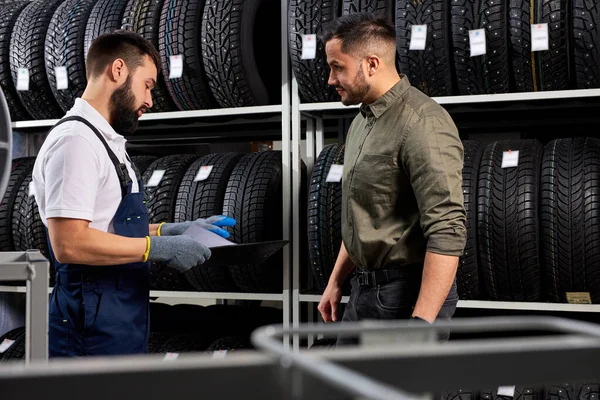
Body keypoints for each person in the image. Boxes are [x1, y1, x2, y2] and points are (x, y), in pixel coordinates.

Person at [32, 31, 235, 357]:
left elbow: (108, 225)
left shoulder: (105, 142)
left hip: (120, 316)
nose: (149, 101)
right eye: (148, 85)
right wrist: (157, 246)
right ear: (118, 71)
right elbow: (69, 243)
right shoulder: (76, 143)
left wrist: (169, 230)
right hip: (88, 325)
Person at [317, 13, 466, 338]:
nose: (330, 79)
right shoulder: (361, 121)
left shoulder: (423, 122)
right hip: (363, 292)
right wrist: (335, 282)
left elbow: (448, 229)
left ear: (371, 64)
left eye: (337, 67)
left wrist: (420, 325)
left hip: (405, 299)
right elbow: (366, 216)